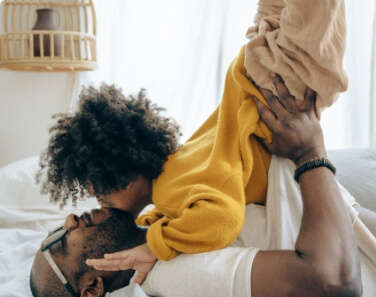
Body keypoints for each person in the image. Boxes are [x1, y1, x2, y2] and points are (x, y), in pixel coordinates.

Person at [30, 86, 376, 297]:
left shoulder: (169, 223)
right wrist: (311, 154)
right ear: (90, 289)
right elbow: (333, 280)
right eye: (60, 241)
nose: (70, 220)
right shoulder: (177, 280)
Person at [36, 0, 348, 282]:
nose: (104, 205)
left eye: (103, 194)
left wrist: (156, 246)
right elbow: (178, 204)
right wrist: (151, 223)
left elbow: (222, 218)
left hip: (279, 96)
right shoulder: (178, 165)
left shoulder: (171, 190)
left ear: (124, 174)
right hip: (257, 73)